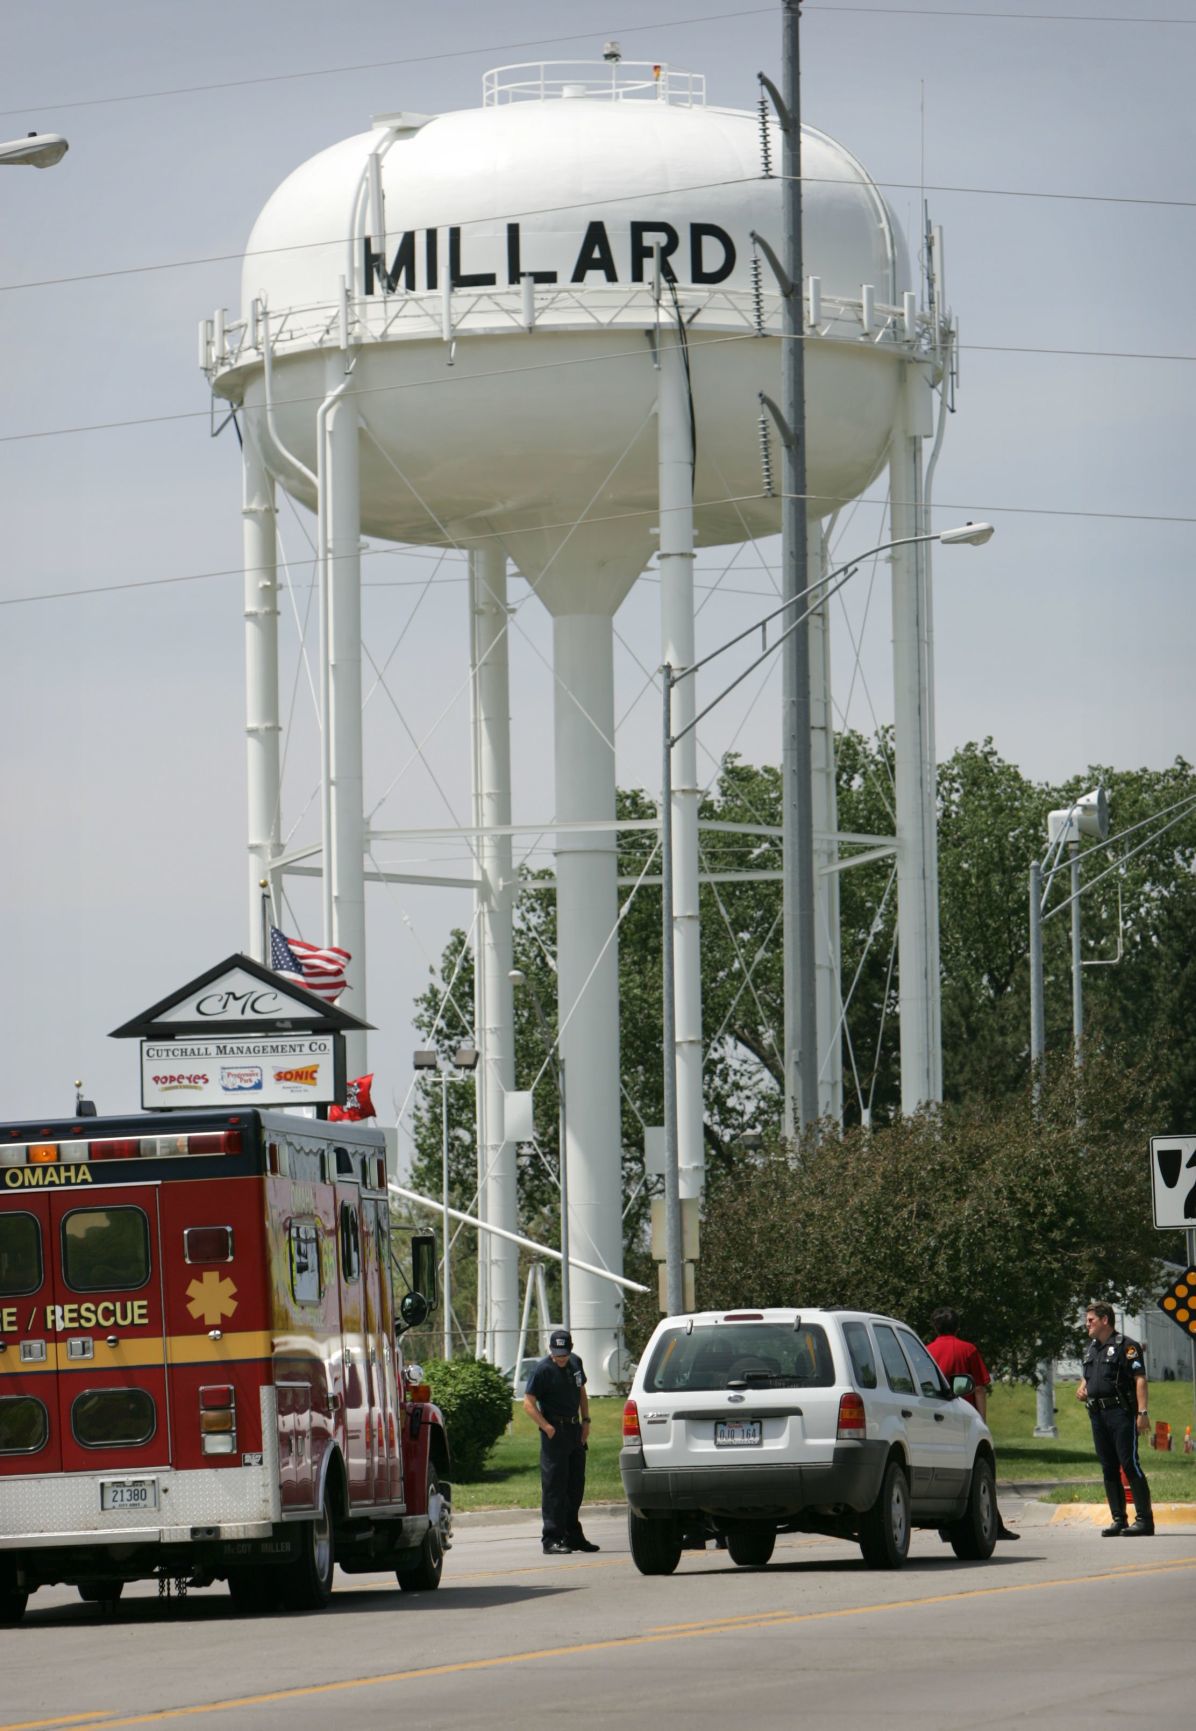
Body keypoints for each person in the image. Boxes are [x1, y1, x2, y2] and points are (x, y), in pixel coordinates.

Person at [925, 1307, 1020, 1541]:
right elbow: (978, 1387)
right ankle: (993, 1525)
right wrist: (982, 1421)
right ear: (958, 1327)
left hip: (933, 1419)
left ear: (935, 1327)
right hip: (963, 1419)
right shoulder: (968, 1350)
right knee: (981, 1472)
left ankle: (948, 1527)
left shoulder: (926, 1351)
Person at [1076, 1301, 1154, 1537]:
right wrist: (1082, 1388)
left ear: (1105, 1320)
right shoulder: (1091, 1349)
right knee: (1108, 1467)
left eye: (1090, 1320)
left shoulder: (1127, 1346)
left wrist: (1142, 1414)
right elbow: (1088, 1378)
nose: (1086, 1324)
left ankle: (1144, 1520)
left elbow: (1140, 1379)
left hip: (1121, 1413)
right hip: (1098, 1414)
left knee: (1129, 1463)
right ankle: (1118, 1519)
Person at [522, 1328, 599, 1555]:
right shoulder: (542, 1370)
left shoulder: (576, 1363)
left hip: (575, 1430)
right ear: (551, 1350)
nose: (560, 1357)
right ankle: (551, 1538)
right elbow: (528, 1403)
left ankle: (573, 1536)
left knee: (575, 1485)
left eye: (564, 1352)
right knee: (554, 1487)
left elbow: (581, 1392)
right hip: (554, 1433)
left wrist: (586, 1421)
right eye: (556, 1353)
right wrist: (547, 1427)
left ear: (570, 1349)